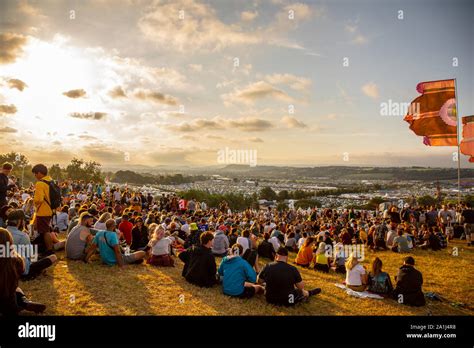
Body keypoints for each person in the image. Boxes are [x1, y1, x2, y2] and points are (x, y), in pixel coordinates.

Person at [0, 228, 46, 316]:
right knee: (15, 288)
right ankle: (24, 301)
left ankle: (24, 302)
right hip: (10, 307)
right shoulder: (17, 260)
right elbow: (23, 271)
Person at [7, 209, 57, 280]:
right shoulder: (22, 235)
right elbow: (32, 257)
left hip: (7, 269)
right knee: (53, 257)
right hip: (23, 270)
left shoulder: (3, 232)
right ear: (20, 221)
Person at [31, 164, 55, 255]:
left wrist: (34, 201)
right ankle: (46, 248)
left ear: (40, 173)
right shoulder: (50, 181)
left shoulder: (40, 183)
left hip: (43, 211)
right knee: (44, 230)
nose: (35, 176)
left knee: (45, 231)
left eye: (35, 173)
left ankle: (49, 250)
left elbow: (39, 199)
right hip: (50, 209)